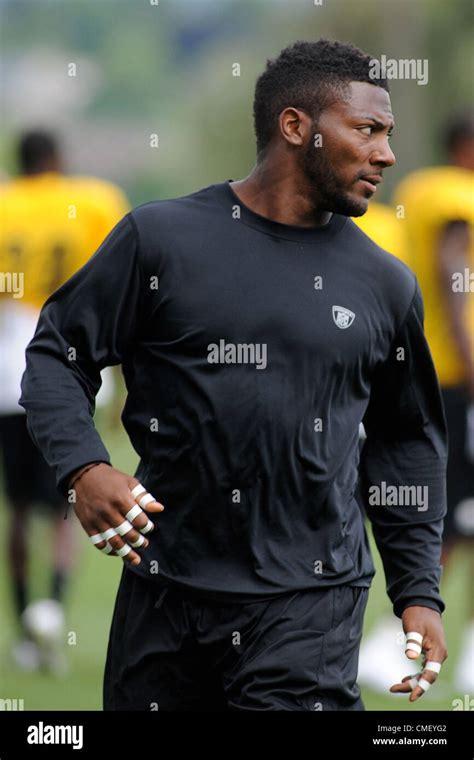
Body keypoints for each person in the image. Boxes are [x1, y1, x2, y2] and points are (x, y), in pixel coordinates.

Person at [20, 40, 448, 710]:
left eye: (388, 135)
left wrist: (418, 590)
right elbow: (56, 353)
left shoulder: (386, 284)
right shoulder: (160, 240)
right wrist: (84, 468)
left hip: (309, 604)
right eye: (366, 129)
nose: (386, 153)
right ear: (295, 127)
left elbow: (407, 440)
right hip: (163, 594)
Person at [0, 130, 129, 671]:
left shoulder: (5, 203)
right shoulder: (95, 201)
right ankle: (53, 606)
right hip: (73, 359)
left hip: (8, 363)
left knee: (18, 508)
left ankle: (28, 626)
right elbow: (118, 292)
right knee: (69, 495)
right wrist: (122, 381)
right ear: (58, 159)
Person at [359, 114, 474, 694]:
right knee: (452, 518)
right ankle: (393, 638)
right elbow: (455, 268)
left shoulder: (420, 192)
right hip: (459, 379)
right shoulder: (455, 195)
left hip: (430, 371)